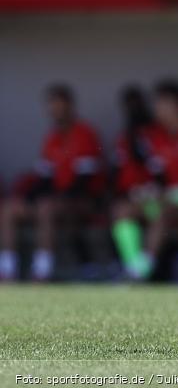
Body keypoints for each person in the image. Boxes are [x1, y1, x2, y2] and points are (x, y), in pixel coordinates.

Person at [111, 80, 178, 280]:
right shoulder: (154, 136)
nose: (156, 109)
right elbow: (156, 176)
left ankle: (143, 270)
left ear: (176, 105)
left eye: (161, 103)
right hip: (166, 198)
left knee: (166, 212)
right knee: (123, 210)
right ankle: (133, 267)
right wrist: (150, 190)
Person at [0, 85, 104, 281]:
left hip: (83, 201)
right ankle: (7, 271)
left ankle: (42, 271)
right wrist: (27, 199)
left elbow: (84, 181)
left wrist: (55, 197)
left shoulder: (84, 133)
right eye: (52, 107)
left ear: (70, 106)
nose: (55, 111)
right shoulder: (52, 138)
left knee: (45, 207)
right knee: (9, 208)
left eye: (59, 106)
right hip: (55, 200)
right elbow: (43, 179)